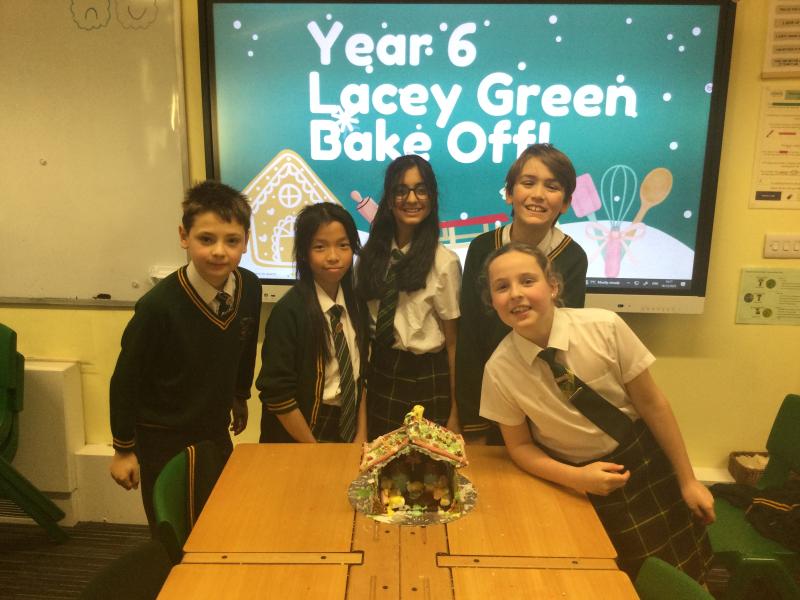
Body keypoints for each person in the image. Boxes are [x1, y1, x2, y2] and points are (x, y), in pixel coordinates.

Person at [479, 242, 714, 581]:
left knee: (677, 573)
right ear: (492, 302)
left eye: (527, 281)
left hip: (646, 465)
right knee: (602, 578)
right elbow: (519, 446)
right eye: (502, 287)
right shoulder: (499, 370)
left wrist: (688, 480)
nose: (516, 293)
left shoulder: (605, 327)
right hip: (574, 482)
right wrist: (576, 479)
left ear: (553, 286)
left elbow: (653, 404)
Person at [109, 180, 261, 532]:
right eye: (206, 239)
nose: (219, 252)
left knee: (218, 520)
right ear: (184, 236)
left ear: (246, 241)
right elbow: (126, 378)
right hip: (163, 436)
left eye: (232, 241)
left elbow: (244, 344)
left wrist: (239, 395)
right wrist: (123, 449)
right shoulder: (158, 307)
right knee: (171, 527)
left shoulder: (250, 286)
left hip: (213, 429)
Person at [457, 143, 588, 443]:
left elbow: (562, 342)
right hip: (487, 392)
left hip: (541, 401)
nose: (538, 194)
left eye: (552, 187)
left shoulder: (572, 256)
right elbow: (470, 337)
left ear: (566, 203)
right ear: (509, 193)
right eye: (528, 183)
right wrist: (471, 421)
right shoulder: (482, 248)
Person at [356, 155, 461, 439]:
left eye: (421, 190)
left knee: (424, 463)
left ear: (432, 198)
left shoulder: (444, 261)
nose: (411, 199)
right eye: (401, 190)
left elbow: (453, 343)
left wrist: (456, 410)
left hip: (427, 376)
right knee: (378, 459)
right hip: (380, 372)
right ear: (389, 200)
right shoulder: (369, 257)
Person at [257, 203, 369, 443]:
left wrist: (361, 435)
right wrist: (313, 448)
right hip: (302, 432)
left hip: (348, 424)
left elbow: (360, 377)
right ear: (304, 253)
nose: (333, 256)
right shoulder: (289, 311)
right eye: (320, 247)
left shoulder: (357, 304)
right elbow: (277, 393)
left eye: (343, 245)